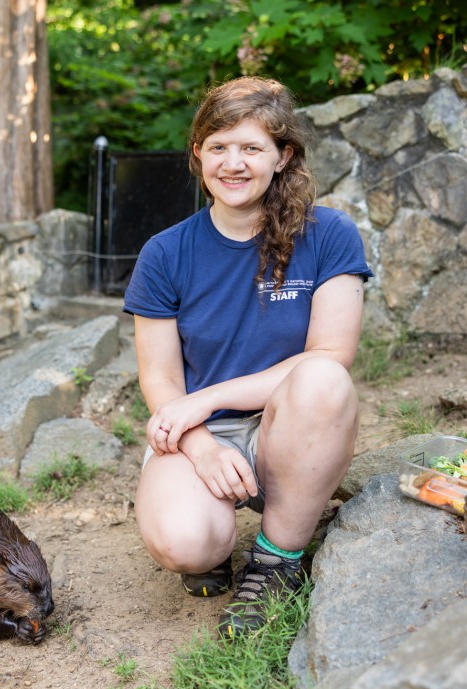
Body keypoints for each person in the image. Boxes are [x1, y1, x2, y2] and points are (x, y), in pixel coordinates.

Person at [121, 76, 372, 639]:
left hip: (292, 424)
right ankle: (211, 537)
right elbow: (160, 378)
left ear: (282, 157)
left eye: (251, 148)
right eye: (219, 147)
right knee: (185, 544)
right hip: (197, 431)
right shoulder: (164, 252)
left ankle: (276, 561)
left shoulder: (328, 234)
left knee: (324, 381)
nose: (233, 163)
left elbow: (331, 354)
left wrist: (206, 399)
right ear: (198, 155)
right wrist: (200, 442)